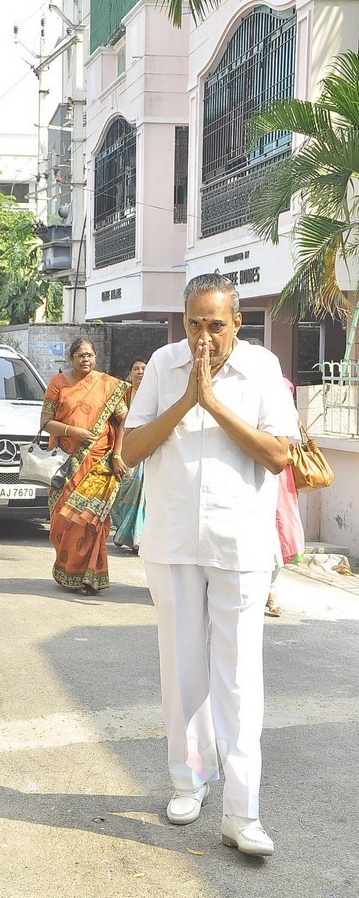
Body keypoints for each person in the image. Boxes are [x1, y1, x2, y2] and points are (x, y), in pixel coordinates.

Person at [122, 274, 298, 857]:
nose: (204, 336)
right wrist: (187, 399)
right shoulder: (163, 363)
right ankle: (188, 780)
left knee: (239, 677)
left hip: (240, 543)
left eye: (215, 324)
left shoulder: (263, 369)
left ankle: (242, 813)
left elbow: (278, 455)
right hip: (172, 539)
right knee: (181, 672)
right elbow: (129, 450)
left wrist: (215, 403)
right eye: (194, 322)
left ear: (237, 322)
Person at [40, 337, 129, 594]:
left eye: (90, 355)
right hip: (66, 464)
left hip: (99, 463)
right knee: (63, 520)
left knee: (92, 521)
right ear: (71, 358)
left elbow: (124, 419)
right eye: (80, 355)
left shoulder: (107, 385)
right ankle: (69, 571)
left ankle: (91, 576)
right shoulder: (58, 383)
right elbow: (45, 422)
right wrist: (72, 431)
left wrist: (118, 454)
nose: (86, 359)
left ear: (96, 357)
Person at [266, 376, 305, 616]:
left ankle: (270, 590)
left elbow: (292, 439)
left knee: (280, 533)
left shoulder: (282, 405)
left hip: (278, 477)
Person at [111, 358, 147, 553]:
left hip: (147, 448)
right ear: (130, 374)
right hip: (123, 448)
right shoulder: (123, 394)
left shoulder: (154, 392)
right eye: (136, 368)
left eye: (144, 368)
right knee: (121, 490)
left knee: (143, 494)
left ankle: (137, 537)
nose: (140, 371)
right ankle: (122, 530)